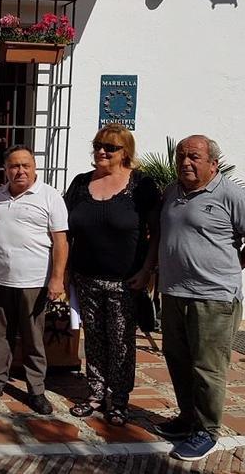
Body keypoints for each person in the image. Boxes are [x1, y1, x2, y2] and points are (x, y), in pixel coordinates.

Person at [154, 135, 245, 462]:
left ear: (213, 163)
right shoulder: (173, 193)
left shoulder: (232, 195)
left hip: (214, 298)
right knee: (177, 359)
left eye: (194, 157)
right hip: (174, 293)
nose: (185, 163)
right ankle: (188, 419)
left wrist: (233, 269)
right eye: (181, 157)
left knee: (207, 367)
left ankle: (207, 431)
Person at [64, 124, 161, 426]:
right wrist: (65, 271)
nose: (102, 152)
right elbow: (66, 231)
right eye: (98, 145)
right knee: (94, 339)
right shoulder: (81, 183)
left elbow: (156, 233)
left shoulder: (141, 185)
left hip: (125, 281)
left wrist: (147, 271)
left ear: (126, 153)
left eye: (110, 147)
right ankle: (94, 393)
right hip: (86, 277)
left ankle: (118, 399)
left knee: (121, 341)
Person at [0, 146, 67, 415]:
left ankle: (36, 390)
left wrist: (57, 279)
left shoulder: (50, 196)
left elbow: (60, 242)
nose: (19, 171)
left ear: (34, 168)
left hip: (33, 281)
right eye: (13, 166)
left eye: (25, 165)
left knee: (33, 338)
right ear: (5, 170)